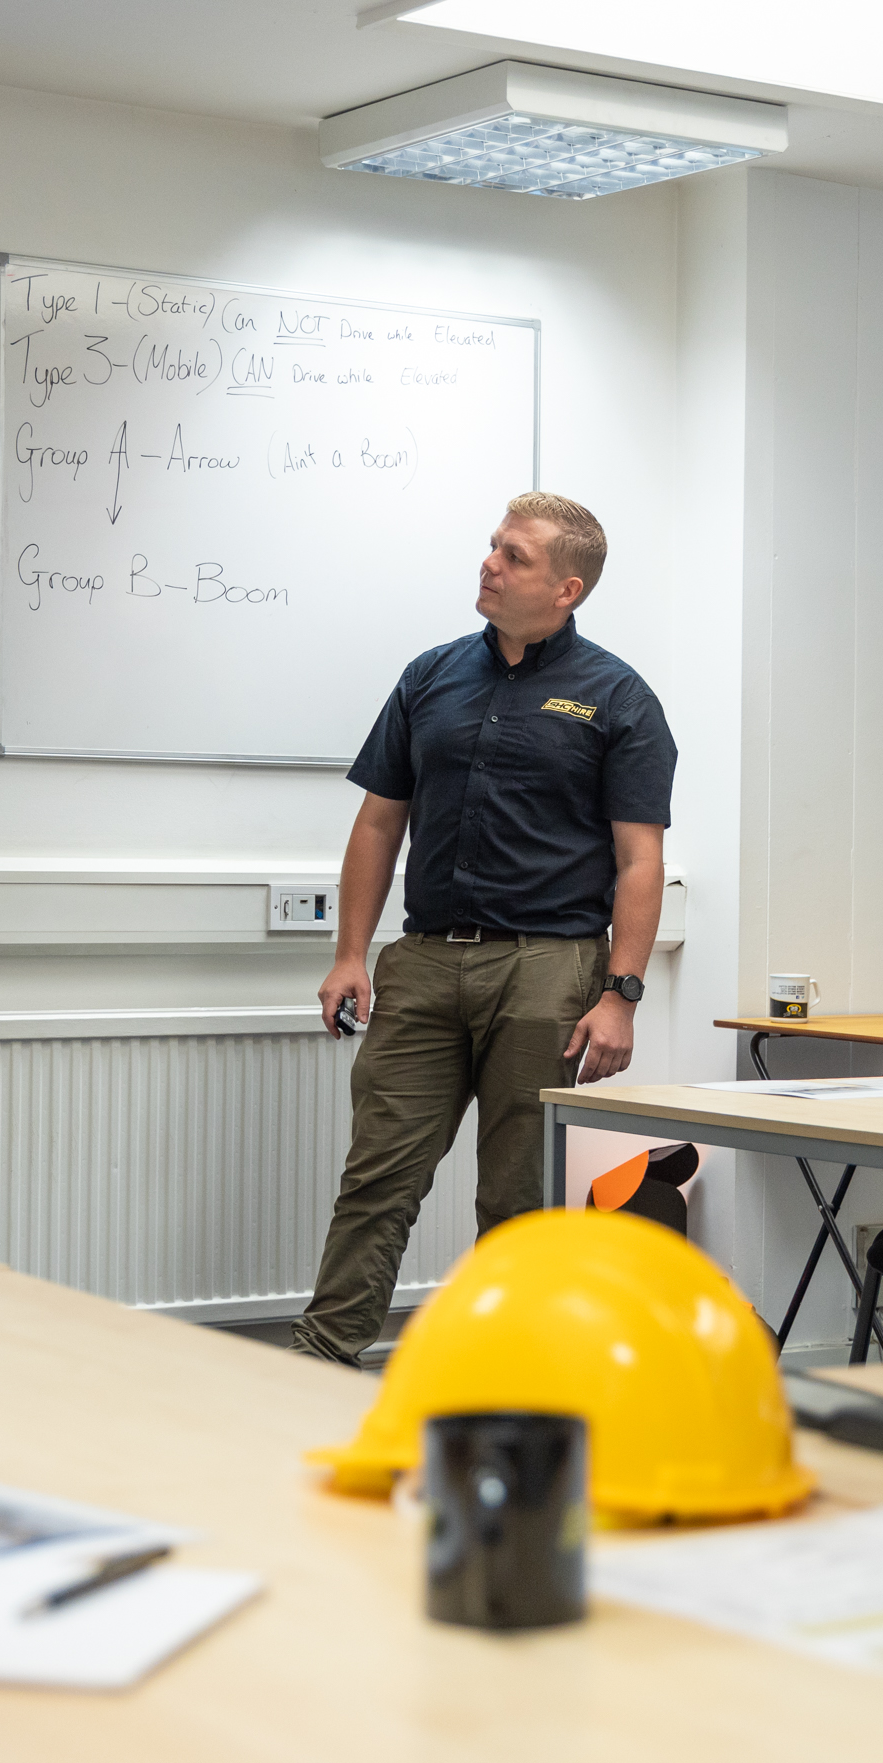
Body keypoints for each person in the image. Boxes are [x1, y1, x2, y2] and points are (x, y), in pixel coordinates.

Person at [288, 492, 674, 1368]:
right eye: (493, 546)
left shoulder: (618, 697)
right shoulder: (429, 677)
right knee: (378, 1177)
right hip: (425, 963)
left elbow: (639, 859)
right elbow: (379, 822)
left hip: (549, 972)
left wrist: (621, 994)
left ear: (567, 589)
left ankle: (509, 1371)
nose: (489, 564)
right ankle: (322, 1355)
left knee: (516, 1197)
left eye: (514, 556)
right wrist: (350, 954)